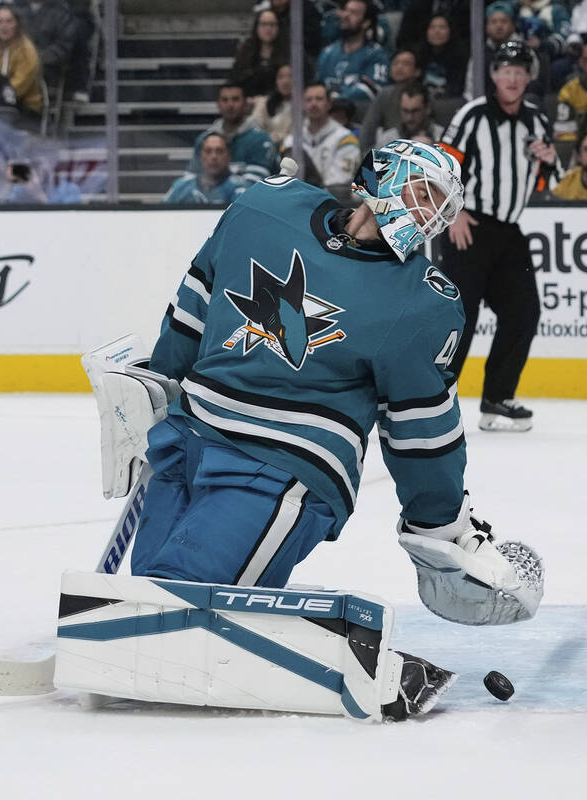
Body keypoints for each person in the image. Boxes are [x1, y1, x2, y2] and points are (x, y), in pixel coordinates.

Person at [119, 139, 540, 720]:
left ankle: (343, 652)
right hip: (189, 439)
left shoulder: (423, 300)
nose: (430, 217)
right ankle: (279, 633)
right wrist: (158, 386)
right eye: (423, 195)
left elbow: (422, 432)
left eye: (441, 207)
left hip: (282, 471)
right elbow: (196, 298)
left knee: (172, 600)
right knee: (141, 604)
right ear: (380, 178)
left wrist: (439, 524)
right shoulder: (263, 209)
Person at [439, 40, 558, 432]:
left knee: (524, 311)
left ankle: (497, 398)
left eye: (520, 72)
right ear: (493, 76)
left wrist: (550, 161)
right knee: (460, 317)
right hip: (469, 227)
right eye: (506, 70)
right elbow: (441, 166)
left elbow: (548, 181)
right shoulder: (472, 115)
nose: (513, 78)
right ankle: (436, 399)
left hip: (508, 231)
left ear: (528, 78)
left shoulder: (537, 122)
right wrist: (452, 214)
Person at [186, 83, 279, 184]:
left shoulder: (261, 140)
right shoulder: (205, 139)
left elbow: (254, 185)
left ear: (246, 104)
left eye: (235, 99)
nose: (230, 105)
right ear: (218, 104)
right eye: (225, 100)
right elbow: (190, 179)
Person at [282, 83, 362, 188]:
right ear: (303, 105)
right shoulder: (292, 140)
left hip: (332, 201)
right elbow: (283, 180)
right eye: (309, 100)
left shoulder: (346, 139)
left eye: (319, 99)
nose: (313, 103)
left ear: (329, 103)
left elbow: (339, 184)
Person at [316, 0, 391, 103]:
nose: (346, 15)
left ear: (366, 23)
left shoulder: (376, 55)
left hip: (360, 116)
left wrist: (336, 100)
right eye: (345, 10)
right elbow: (317, 87)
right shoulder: (327, 53)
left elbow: (373, 91)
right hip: (328, 115)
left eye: (353, 13)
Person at [358, 48, 422, 151]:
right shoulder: (385, 94)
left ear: (417, 71)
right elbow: (368, 131)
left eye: (406, 64)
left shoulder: (426, 94)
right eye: (395, 63)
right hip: (390, 149)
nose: (399, 67)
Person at [0, 4, 43, 115]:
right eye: (0, 22)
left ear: (17, 24)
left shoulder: (26, 50)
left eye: (9, 21)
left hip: (22, 105)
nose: (4, 26)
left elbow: (17, 87)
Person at [163, 133, 250, 204]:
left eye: (219, 151)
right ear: (200, 156)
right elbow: (162, 215)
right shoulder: (181, 186)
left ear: (228, 156)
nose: (214, 157)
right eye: (208, 151)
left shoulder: (241, 189)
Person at [10, 0, 75, 87]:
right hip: (14, 61)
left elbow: (63, 47)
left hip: (47, 68)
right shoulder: (14, 9)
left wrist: (37, 59)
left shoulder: (62, 12)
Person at [230, 8, 289, 100]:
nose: (268, 28)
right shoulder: (245, 52)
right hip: (250, 103)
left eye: (272, 24)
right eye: (264, 24)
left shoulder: (288, 51)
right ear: (256, 27)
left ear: (279, 27)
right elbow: (236, 79)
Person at [415, 14, 468, 98]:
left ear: (450, 31)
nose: (437, 31)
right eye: (432, 27)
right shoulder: (418, 55)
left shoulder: (461, 57)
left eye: (442, 27)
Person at [376, 83, 443, 144]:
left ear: (427, 109)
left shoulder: (442, 137)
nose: (409, 117)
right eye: (405, 111)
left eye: (415, 111)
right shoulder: (388, 140)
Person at [250, 63, 295, 145]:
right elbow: (256, 128)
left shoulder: (305, 105)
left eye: (290, 76)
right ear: (275, 81)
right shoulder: (263, 103)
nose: (286, 81)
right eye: (281, 77)